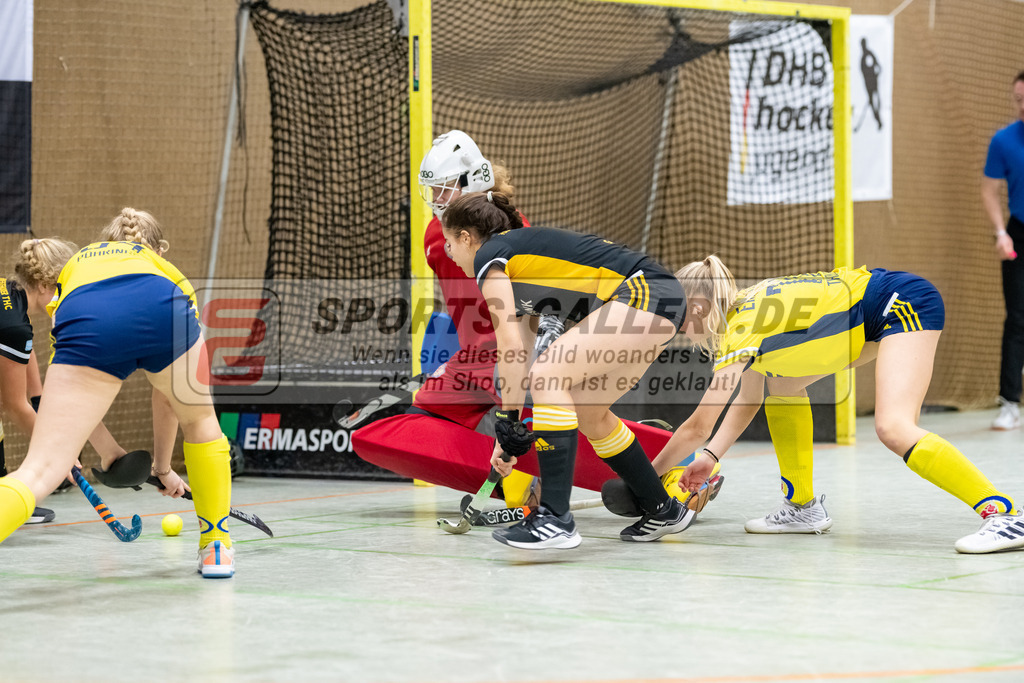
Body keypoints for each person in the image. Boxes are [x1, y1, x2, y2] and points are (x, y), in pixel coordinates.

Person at [353, 131, 706, 506]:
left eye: (445, 189)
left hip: (506, 355)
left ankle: (642, 477)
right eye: (434, 190)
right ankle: (522, 481)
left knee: (547, 401)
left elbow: (520, 327)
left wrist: (513, 406)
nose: (438, 200)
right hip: (469, 362)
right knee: (390, 426)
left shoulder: (495, 235)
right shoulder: (451, 232)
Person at [650, 263, 1024, 554]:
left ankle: (1005, 515)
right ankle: (802, 508)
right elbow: (749, 399)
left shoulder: (740, 329)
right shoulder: (743, 310)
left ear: (698, 306)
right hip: (869, 313)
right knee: (782, 382)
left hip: (898, 302)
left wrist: (645, 481)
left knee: (893, 427)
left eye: (678, 317)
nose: (677, 328)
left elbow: (696, 428)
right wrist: (712, 456)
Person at [440, 190, 715, 549]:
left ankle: (555, 518)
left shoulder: (491, 256)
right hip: (659, 300)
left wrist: (508, 419)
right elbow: (518, 353)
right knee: (588, 412)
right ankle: (662, 508)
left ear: (466, 238)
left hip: (646, 292)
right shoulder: (518, 268)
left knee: (549, 374)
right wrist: (504, 438)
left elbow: (508, 346)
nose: (448, 253)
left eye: (449, 243)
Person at [0, 208, 237, 577]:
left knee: (39, 470)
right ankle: (216, 547)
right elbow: (168, 399)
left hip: (86, 313)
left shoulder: (78, 266)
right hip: (163, 307)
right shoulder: (163, 271)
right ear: (157, 250)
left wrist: (110, 453)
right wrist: (162, 466)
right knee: (202, 421)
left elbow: (71, 404)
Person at [0, 240, 147, 525]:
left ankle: (7, 497)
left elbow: (25, 357)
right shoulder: (14, 327)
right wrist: (56, 454)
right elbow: (14, 405)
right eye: (63, 289)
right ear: (44, 284)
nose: (67, 298)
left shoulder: (9, 293)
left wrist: (43, 402)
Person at [982, 70, 1024, 431]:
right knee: (1017, 318)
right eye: (1018, 99)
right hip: (1019, 235)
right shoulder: (1003, 140)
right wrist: (1001, 233)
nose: (1023, 106)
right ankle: (1010, 403)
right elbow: (990, 190)